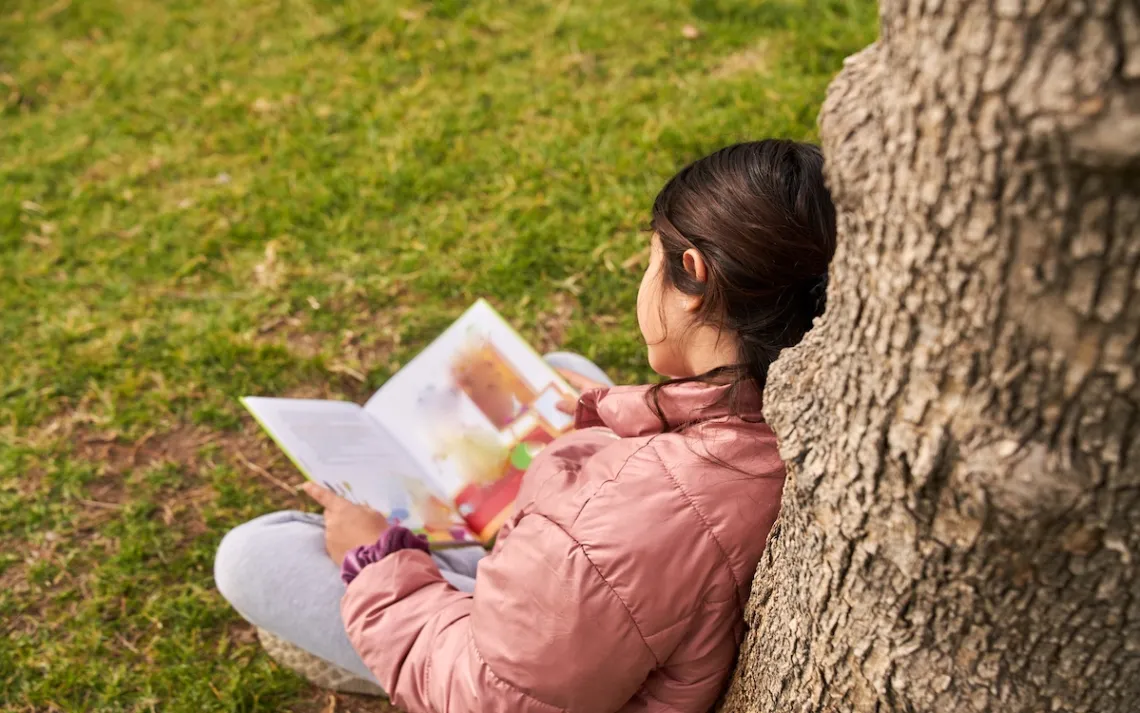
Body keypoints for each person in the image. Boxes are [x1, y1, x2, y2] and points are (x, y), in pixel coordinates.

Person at [214, 139, 837, 712]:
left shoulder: (617, 525)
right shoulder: (787, 416)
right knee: (563, 372)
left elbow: (491, 695)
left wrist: (372, 561)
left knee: (254, 553)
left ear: (693, 277)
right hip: (606, 590)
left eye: (649, 262)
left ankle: (378, 644)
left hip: (543, 632)